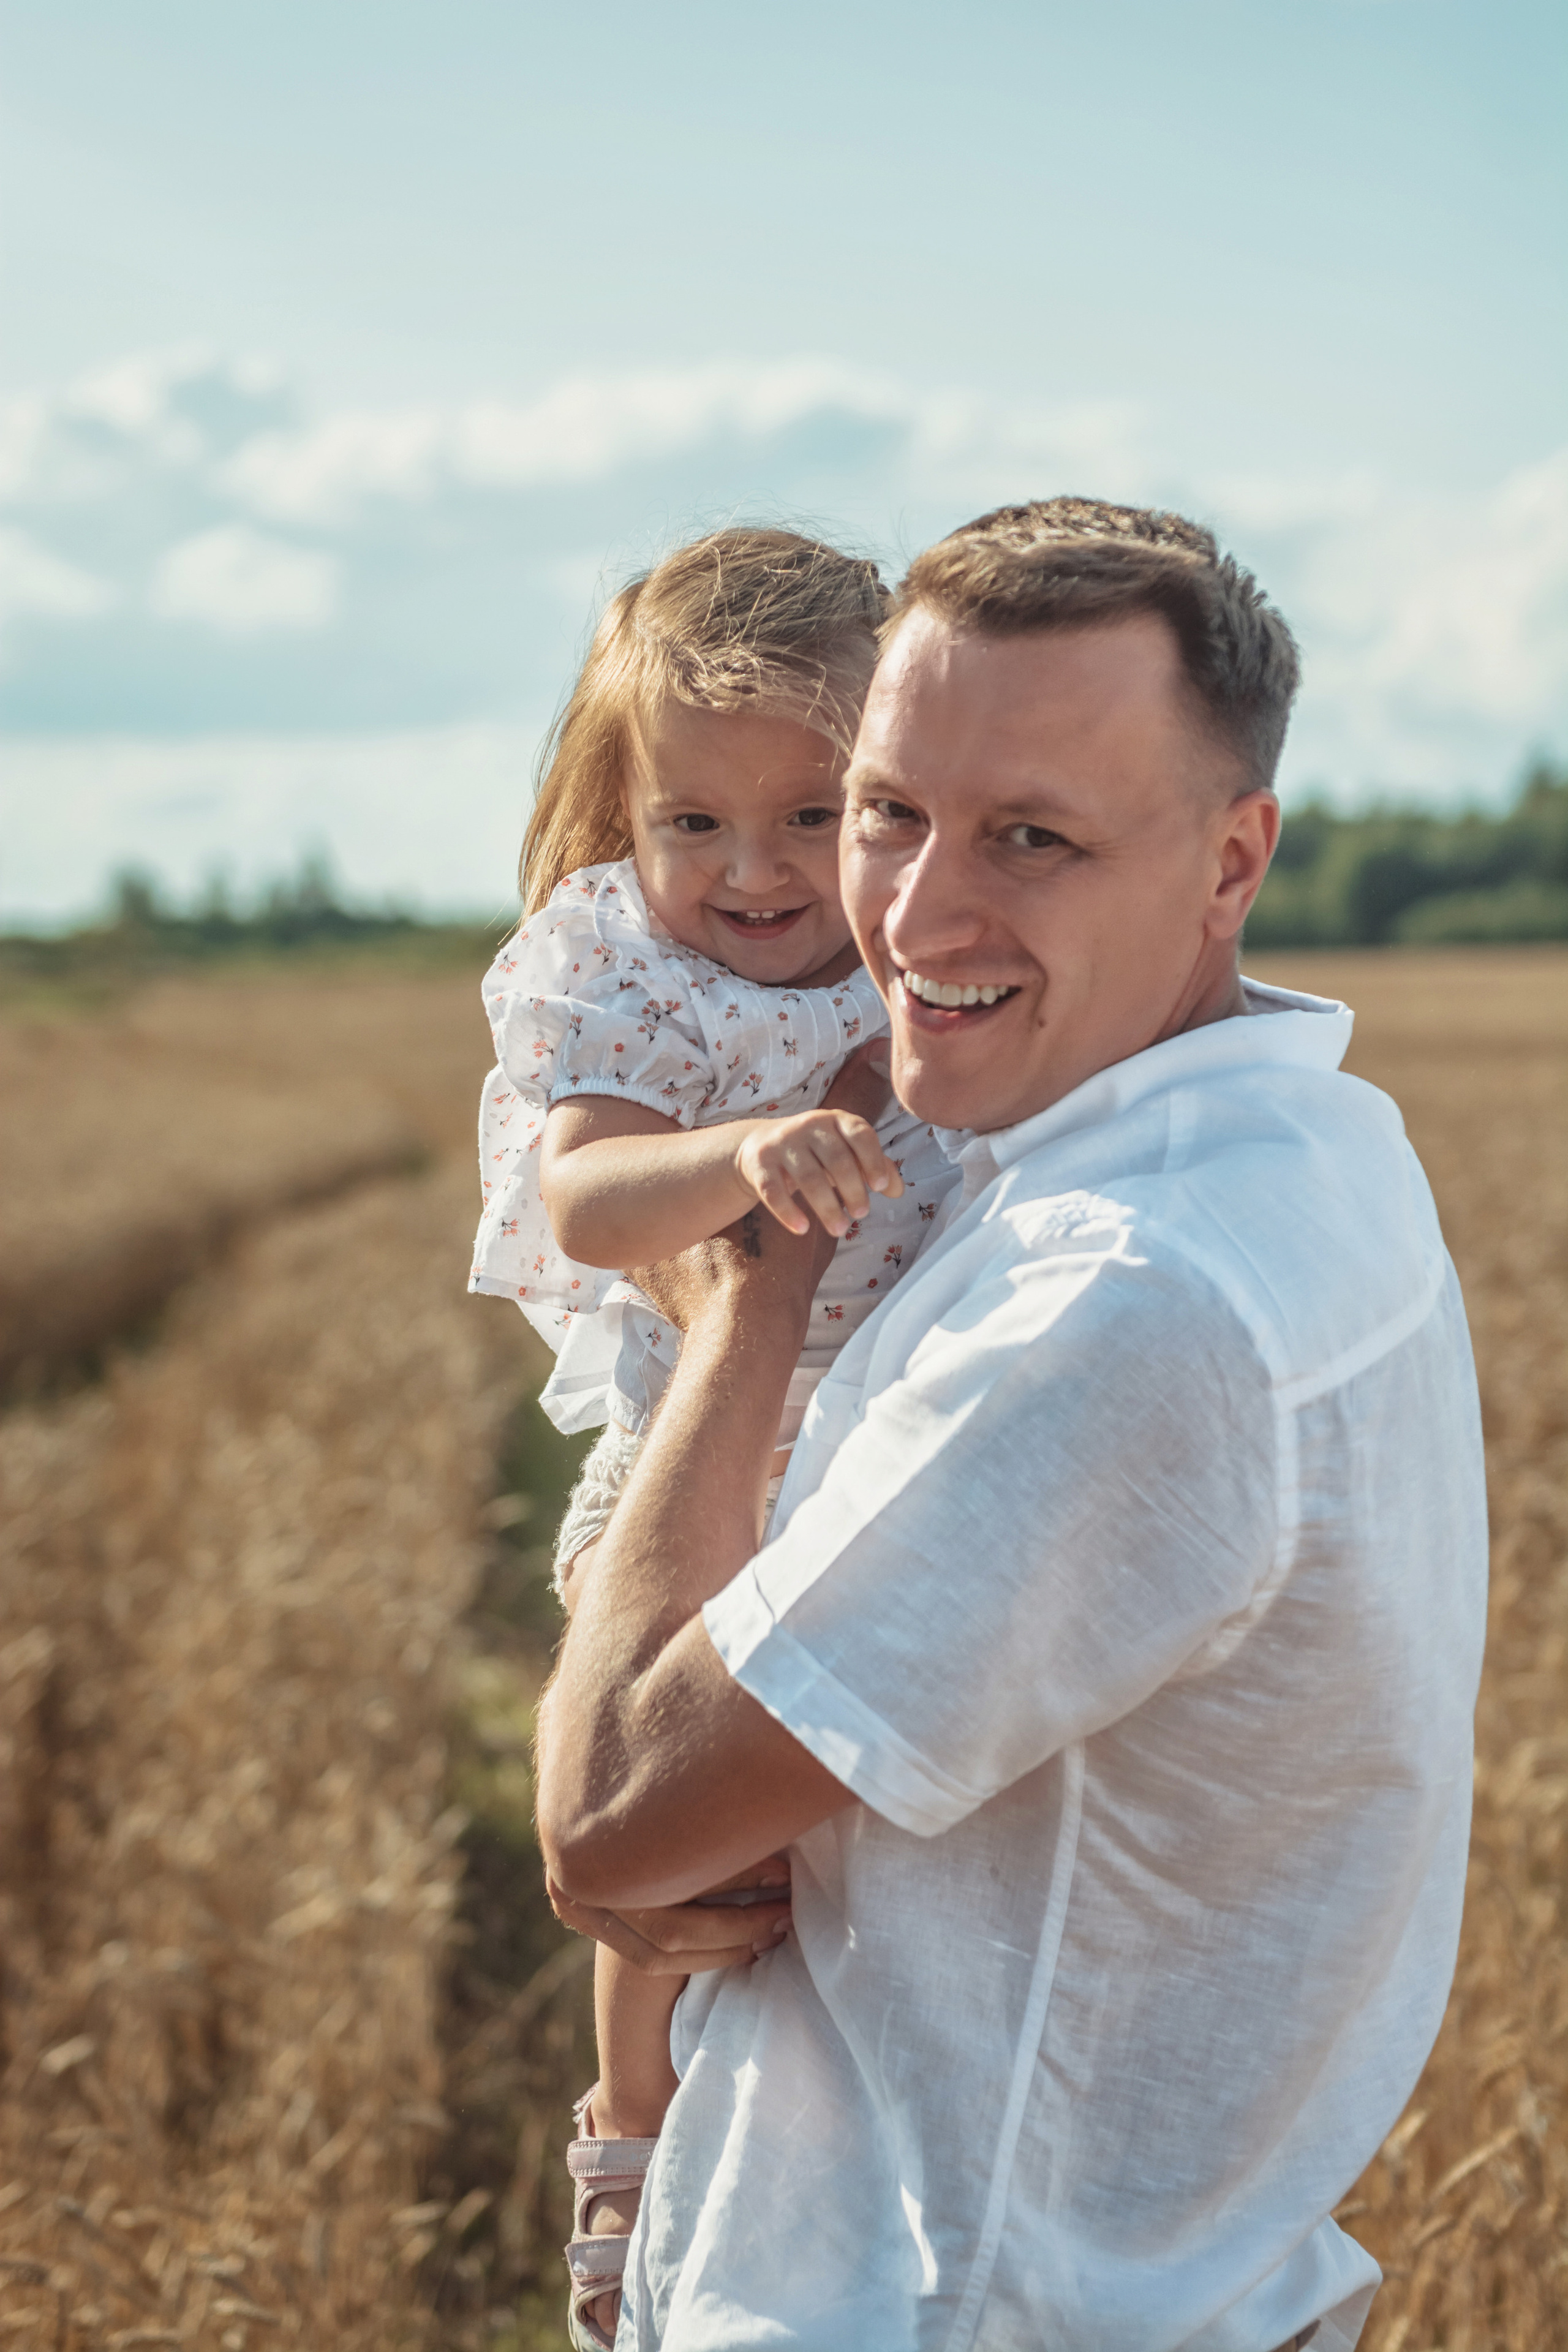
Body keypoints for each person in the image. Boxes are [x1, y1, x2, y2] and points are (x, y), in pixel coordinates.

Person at [534, 497, 1490, 2352]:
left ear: (1233, 861)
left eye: (1032, 838)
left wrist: (742, 1314)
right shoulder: (1301, 1148)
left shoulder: (1132, 1299)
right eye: (887, 809)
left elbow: (609, 1827)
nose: (912, 911)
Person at [467, 526, 958, 2346]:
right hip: (689, 1439)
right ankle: (637, 2137)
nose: (752, 873)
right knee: (650, 1813)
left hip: (883, 1432)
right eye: (695, 823)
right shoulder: (614, 962)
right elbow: (585, 1198)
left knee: (821, 1835)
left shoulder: (921, 943)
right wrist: (741, 1166)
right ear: (622, 809)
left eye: (810, 817)